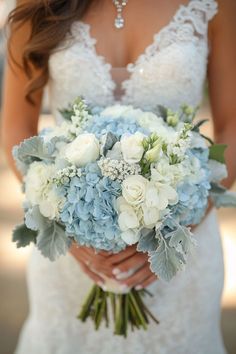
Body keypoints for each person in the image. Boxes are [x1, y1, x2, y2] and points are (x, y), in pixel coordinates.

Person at [1, 0, 236, 353]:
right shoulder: (37, 4)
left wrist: (182, 221)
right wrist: (64, 225)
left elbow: (232, 123)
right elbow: (17, 127)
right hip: (73, 257)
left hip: (180, 253)